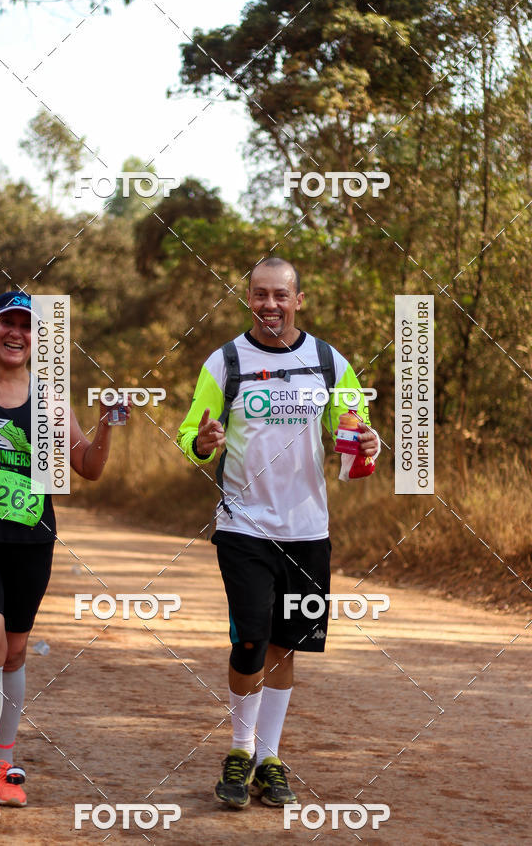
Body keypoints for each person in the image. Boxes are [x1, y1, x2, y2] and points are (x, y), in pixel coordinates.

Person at [177, 257, 380, 810]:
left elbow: (355, 432)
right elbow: (190, 430)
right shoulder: (224, 362)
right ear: (249, 299)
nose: (271, 305)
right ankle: (240, 751)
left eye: (280, 295)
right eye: (260, 295)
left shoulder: (327, 360)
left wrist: (369, 446)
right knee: (250, 638)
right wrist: (202, 440)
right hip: (243, 523)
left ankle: (269, 759)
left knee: (285, 643)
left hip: (307, 529)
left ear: (298, 299)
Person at [0, 291, 126, 821]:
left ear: (39, 338)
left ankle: (7, 764)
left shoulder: (50, 401)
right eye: (6, 324)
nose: (16, 333)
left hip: (30, 544)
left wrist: (107, 424)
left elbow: (88, 466)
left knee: (15, 654)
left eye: (27, 325)